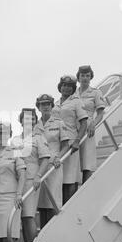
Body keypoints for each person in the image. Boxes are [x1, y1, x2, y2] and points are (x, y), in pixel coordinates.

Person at [11, 108, 50, 242]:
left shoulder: (39, 138)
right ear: (21, 121)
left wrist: (38, 176)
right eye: (26, 118)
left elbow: (45, 159)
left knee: (28, 216)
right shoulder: (16, 140)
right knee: (21, 219)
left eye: (32, 118)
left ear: (35, 121)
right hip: (15, 181)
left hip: (30, 180)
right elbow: (13, 160)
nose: (29, 121)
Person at [34, 95, 70, 229]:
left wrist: (58, 157)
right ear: (38, 107)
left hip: (53, 165)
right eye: (42, 104)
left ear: (51, 105)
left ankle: (54, 229)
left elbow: (66, 145)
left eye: (48, 104)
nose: (45, 106)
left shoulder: (59, 123)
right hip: (39, 166)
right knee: (41, 201)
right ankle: (43, 229)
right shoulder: (35, 126)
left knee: (53, 199)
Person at [52, 75, 88, 205]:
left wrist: (78, 141)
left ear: (73, 88)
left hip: (71, 142)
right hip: (57, 144)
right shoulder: (55, 104)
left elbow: (84, 123)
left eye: (69, 86)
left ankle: (69, 206)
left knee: (70, 177)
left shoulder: (76, 101)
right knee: (58, 177)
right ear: (60, 87)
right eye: (64, 85)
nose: (66, 88)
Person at [76, 65, 106, 183]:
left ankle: (85, 188)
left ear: (91, 77)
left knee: (87, 161)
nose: (85, 78)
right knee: (74, 161)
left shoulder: (95, 92)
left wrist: (93, 124)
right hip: (73, 127)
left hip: (88, 127)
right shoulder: (73, 93)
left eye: (87, 75)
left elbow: (100, 113)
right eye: (82, 75)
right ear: (78, 77)